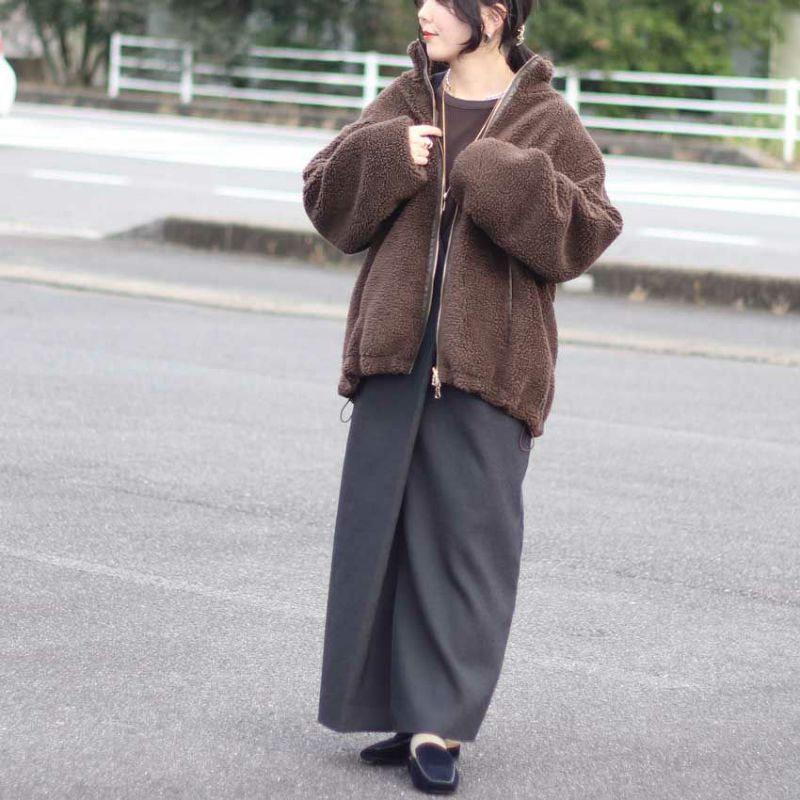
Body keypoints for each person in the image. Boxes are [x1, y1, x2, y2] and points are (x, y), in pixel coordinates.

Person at [302, 0, 623, 794]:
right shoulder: (406, 99)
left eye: (444, 1)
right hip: (393, 357)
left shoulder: (547, 119)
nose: (424, 11)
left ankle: (440, 724)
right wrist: (387, 154)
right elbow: (324, 199)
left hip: (489, 367)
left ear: (495, 14)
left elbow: (587, 232)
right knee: (383, 540)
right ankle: (404, 711)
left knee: (468, 550)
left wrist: (501, 174)